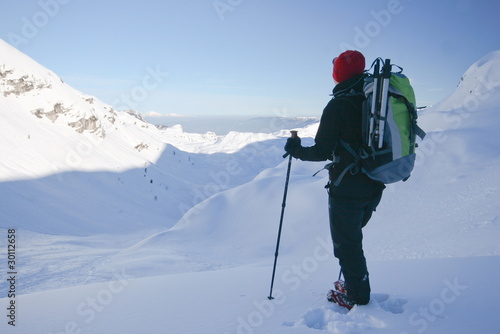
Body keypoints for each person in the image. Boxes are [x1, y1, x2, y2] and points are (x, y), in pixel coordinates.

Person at [284, 50, 385, 307]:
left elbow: (321, 151)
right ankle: (353, 284)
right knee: (353, 239)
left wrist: (296, 150)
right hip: (375, 181)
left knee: (347, 246)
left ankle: (357, 297)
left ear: (338, 74)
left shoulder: (339, 104)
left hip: (348, 187)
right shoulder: (375, 99)